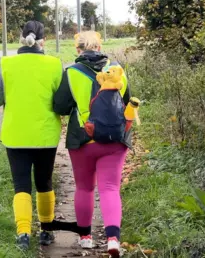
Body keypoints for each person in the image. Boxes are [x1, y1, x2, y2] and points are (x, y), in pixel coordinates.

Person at [53, 31, 132, 258]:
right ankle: (113, 239)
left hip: (83, 139)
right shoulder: (118, 69)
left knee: (85, 188)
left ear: (78, 49)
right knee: (110, 188)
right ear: (100, 46)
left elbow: (59, 105)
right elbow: (127, 102)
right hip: (115, 138)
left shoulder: (72, 72)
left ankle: (86, 237)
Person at [0, 20, 64, 250]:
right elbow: (61, 103)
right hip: (45, 135)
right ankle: (46, 232)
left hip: (16, 134)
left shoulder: (7, 64)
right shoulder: (54, 64)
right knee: (44, 182)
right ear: (43, 41)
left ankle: (23, 234)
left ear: (21, 38)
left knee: (21, 185)